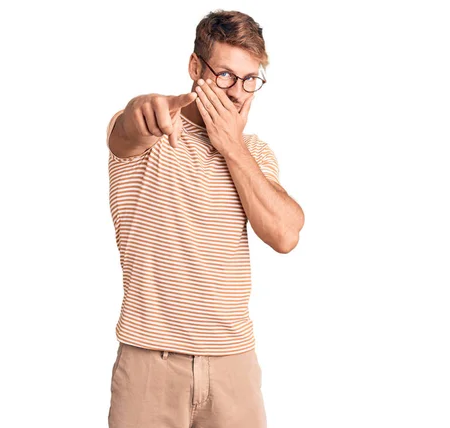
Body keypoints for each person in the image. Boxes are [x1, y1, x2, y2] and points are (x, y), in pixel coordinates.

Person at [105, 9, 304, 428]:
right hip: (149, 364)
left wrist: (231, 145)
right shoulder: (156, 130)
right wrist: (141, 111)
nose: (238, 92)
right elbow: (128, 130)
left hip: (234, 366)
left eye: (251, 79)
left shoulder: (255, 154)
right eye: (226, 75)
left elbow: (286, 233)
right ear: (195, 67)